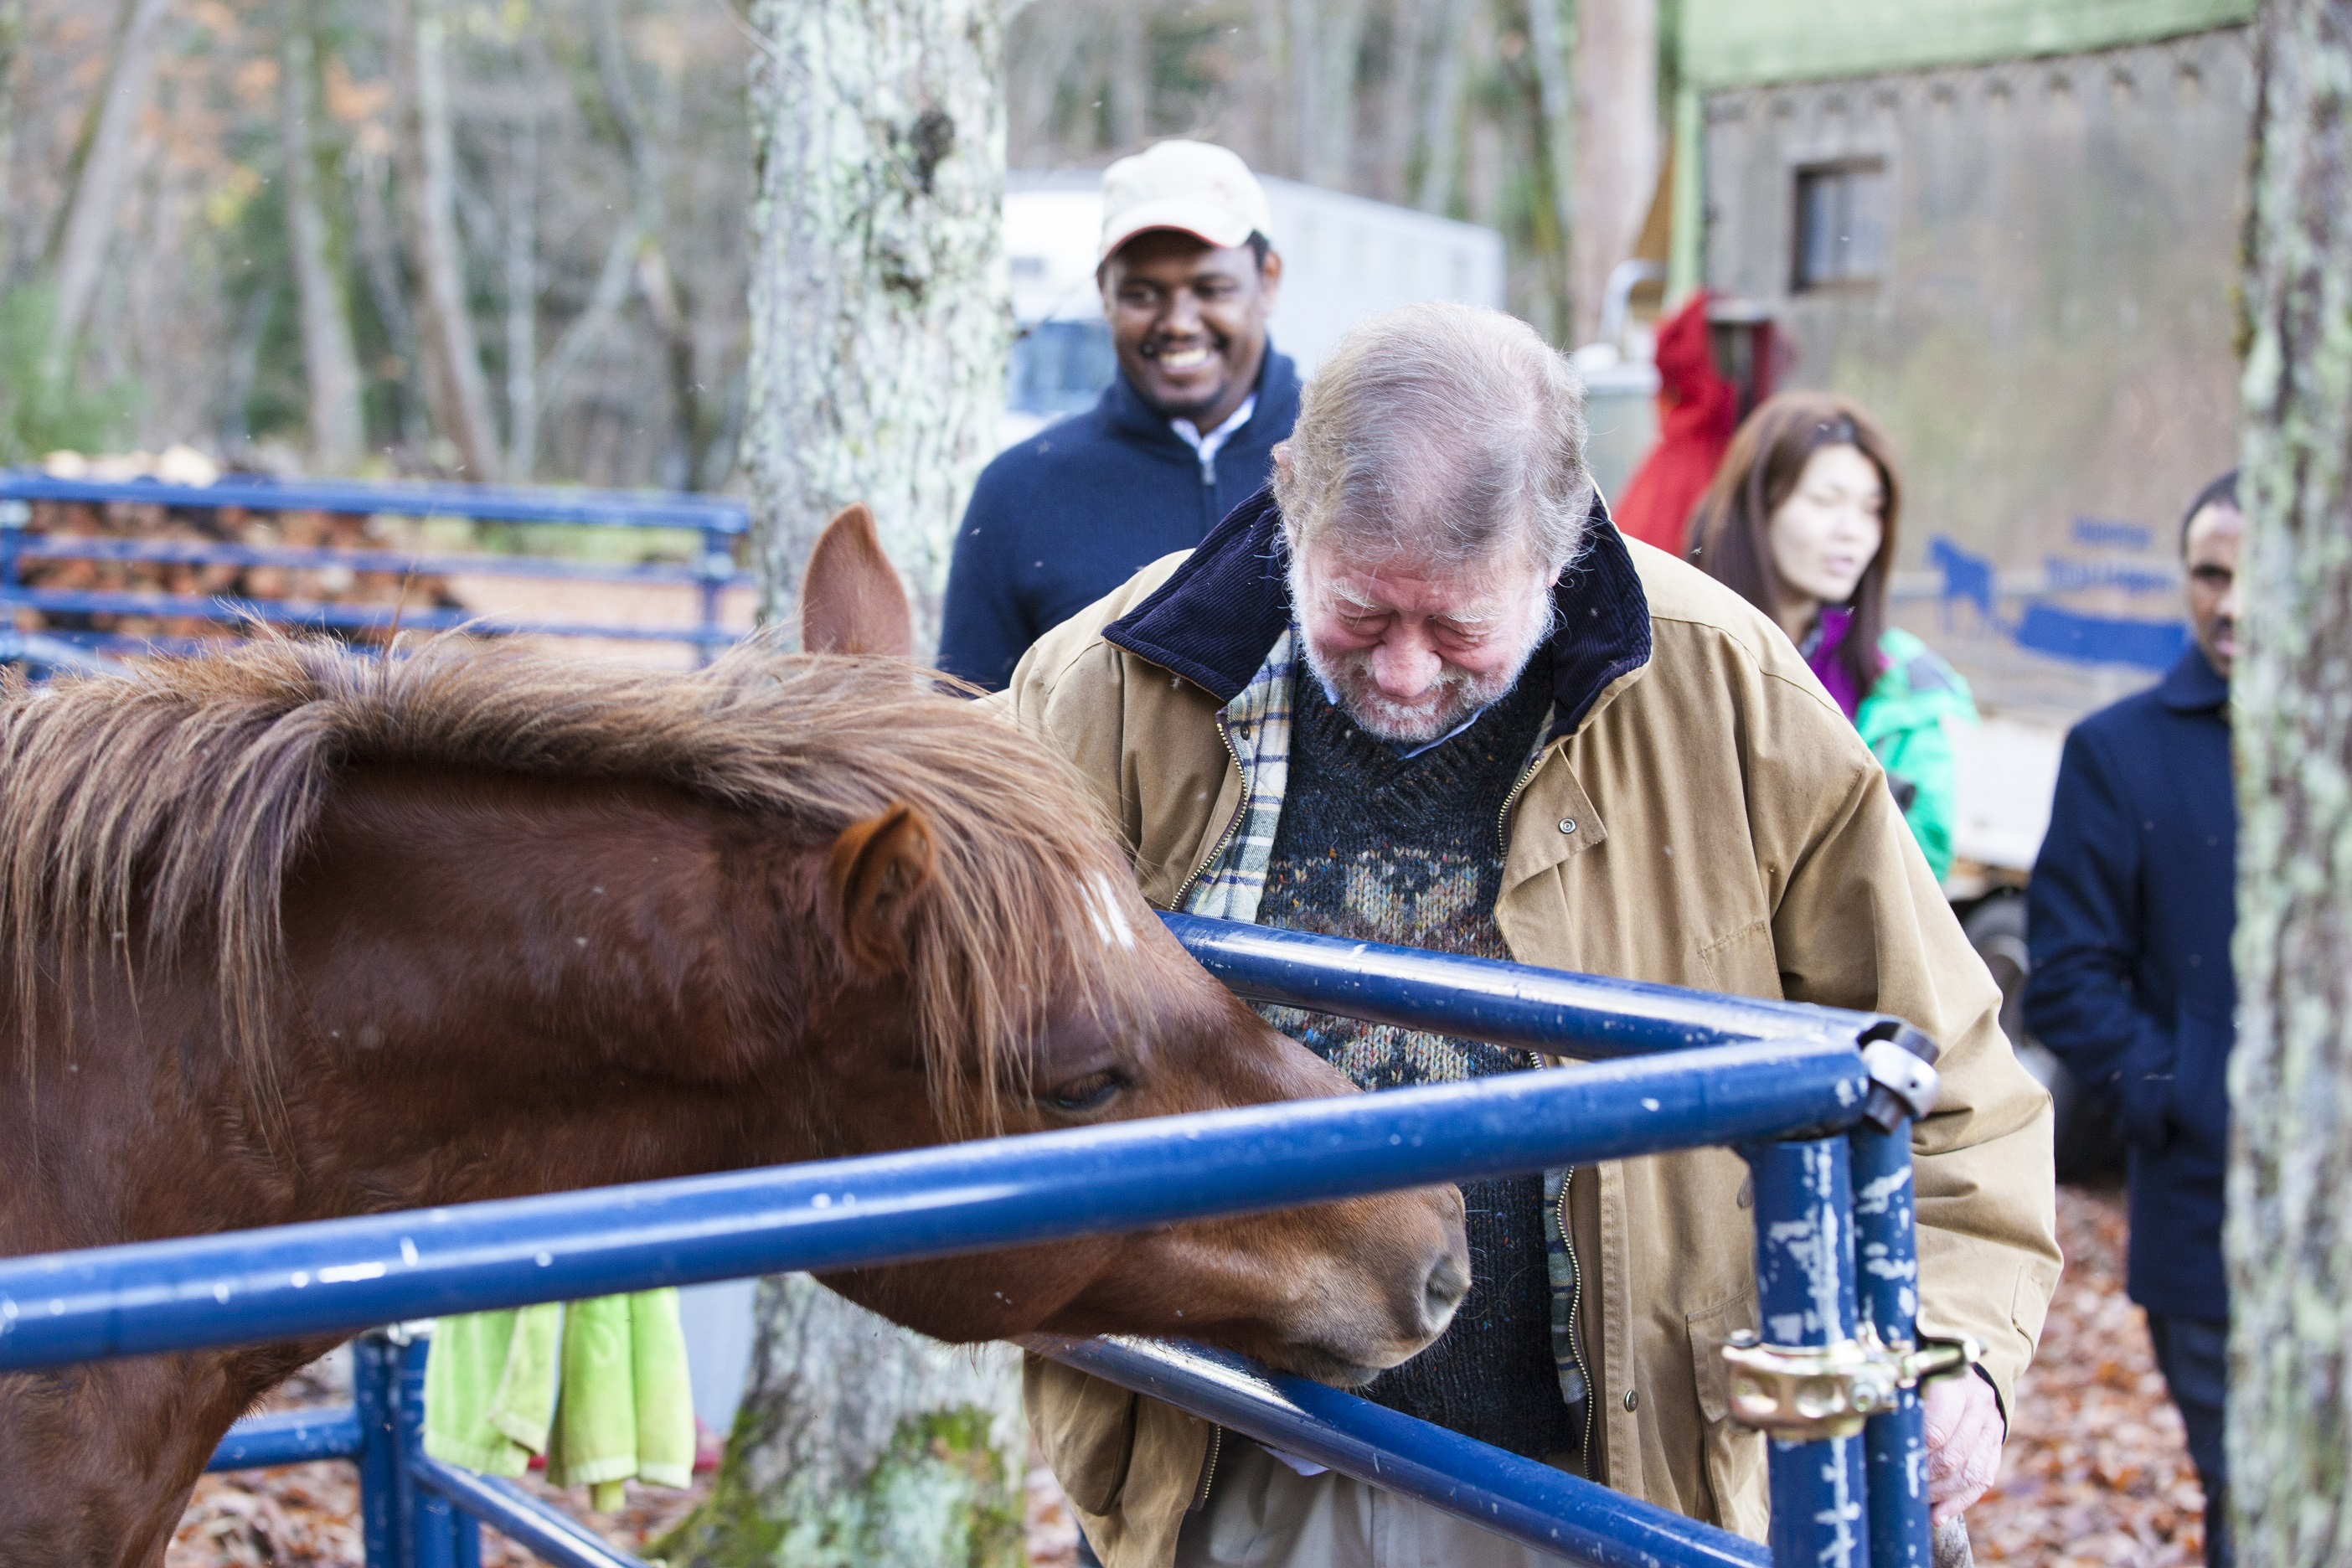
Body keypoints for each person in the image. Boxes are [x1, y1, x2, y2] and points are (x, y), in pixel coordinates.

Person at [995, 302, 2059, 1567]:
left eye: (1455, 629)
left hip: (1612, 1486)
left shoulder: (1731, 697)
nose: (1398, 673)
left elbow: (1946, 1081)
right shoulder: (1101, 690)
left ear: (1562, 546)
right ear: (1290, 499)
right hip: (1234, 1468)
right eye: (1360, 612)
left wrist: (1953, 1350)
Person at [2024, 471, 2241, 1568]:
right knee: (2251, 1502)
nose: (2235, 604)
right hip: (2209, 1220)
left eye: (2264, 575)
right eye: (2211, 574)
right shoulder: (2122, 751)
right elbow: (2066, 980)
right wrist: (2196, 1096)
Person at [936, 140, 1299, 689]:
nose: (1178, 321)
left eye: (1211, 288)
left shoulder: (1351, 461)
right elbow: (966, 733)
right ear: (1104, 293)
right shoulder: (1019, 492)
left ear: (1267, 279)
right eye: (1143, 293)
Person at [1692, 391, 1976, 880]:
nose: (1853, 531)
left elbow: (1918, 879)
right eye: (1826, 501)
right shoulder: (1668, 645)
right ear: (1758, 505)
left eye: (1872, 509)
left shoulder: (1906, 688)